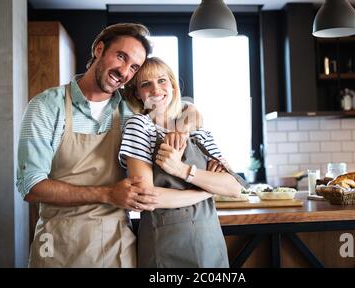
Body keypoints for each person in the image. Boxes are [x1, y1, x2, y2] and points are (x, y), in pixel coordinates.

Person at [17, 23, 167, 267]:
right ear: (99, 49)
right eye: (121, 56)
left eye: (134, 67)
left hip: (116, 248)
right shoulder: (47, 106)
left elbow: (172, 115)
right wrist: (107, 194)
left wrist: (188, 116)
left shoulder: (132, 114)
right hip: (57, 247)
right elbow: (31, 186)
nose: (124, 71)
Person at [120, 57, 248, 268]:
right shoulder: (138, 126)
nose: (156, 89)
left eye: (162, 80)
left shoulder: (198, 130)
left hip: (209, 240)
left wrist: (182, 170)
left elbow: (234, 187)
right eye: (145, 84)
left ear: (172, 85)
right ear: (136, 93)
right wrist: (207, 190)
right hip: (165, 243)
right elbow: (145, 196)